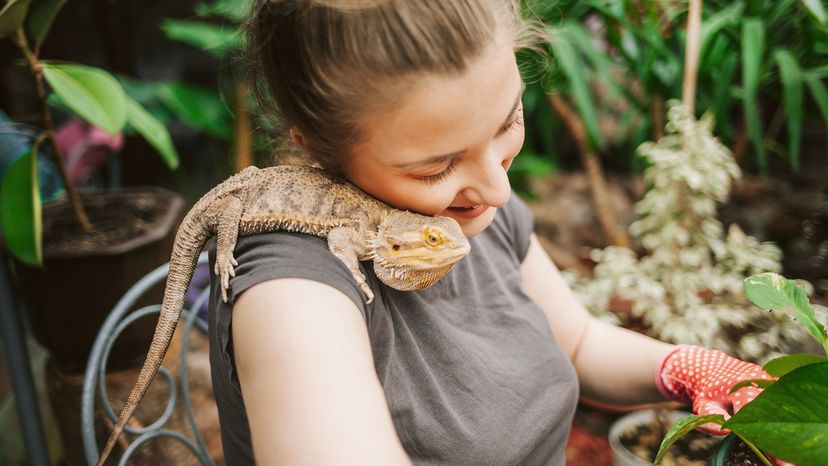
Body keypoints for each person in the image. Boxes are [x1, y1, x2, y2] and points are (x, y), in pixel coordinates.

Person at [207, 1, 773, 465]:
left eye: (508, 123)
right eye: (435, 167)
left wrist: (685, 368)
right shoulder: (293, 297)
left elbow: (577, 343)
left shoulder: (469, 206)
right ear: (315, 143)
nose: (499, 193)